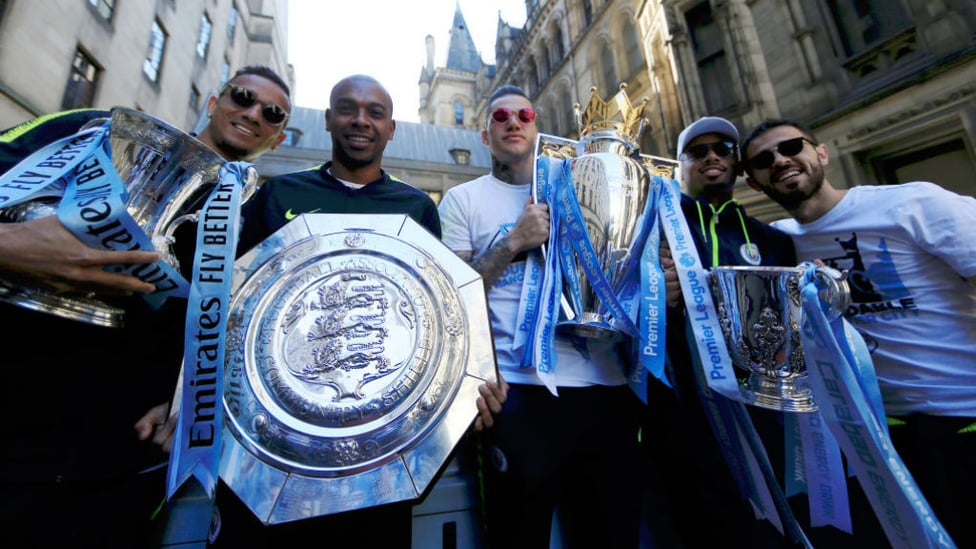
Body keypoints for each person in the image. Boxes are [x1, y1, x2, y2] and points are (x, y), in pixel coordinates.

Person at [208, 74, 508, 548]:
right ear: (329, 119)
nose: (360, 121)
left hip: (378, 462)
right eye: (347, 108)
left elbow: (448, 314)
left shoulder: (415, 208)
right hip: (272, 454)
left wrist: (477, 381)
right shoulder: (278, 195)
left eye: (375, 112)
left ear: (392, 129)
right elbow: (229, 309)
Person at [0, 65, 292, 549]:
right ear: (213, 102)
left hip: (122, 464)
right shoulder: (93, 132)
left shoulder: (257, 216)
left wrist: (186, 398)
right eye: (241, 96)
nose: (253, 112)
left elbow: (241, 329)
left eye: (273, 112)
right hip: (14, 428)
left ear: (278, 138)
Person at [741, 118, 976, 547]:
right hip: (880, 441)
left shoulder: (913, 203)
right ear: (754, 183)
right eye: (762, 160)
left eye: (792, 146)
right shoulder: (778, 244)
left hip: (964, 415)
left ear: (821, 153)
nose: (780, 160)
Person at [437, 84, 643, 548]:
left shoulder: (583, 186)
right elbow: (453, 295)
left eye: (524, 114)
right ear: (485, 135)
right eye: (500, 116)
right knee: (518, 535)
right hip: (518, 395)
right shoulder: (463, 199)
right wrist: (512, 242)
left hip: (604, 390)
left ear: (538, 128)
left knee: (612, 534)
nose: (513, 121)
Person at [644, 116, 799, 548]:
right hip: (683, 414)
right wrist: (656, 295)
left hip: (762, 415)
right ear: (681, 167)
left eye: (723, 149)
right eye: (697, 151)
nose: (711, 156)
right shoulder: (652, 232)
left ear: (738, 165)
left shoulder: (775, 241)